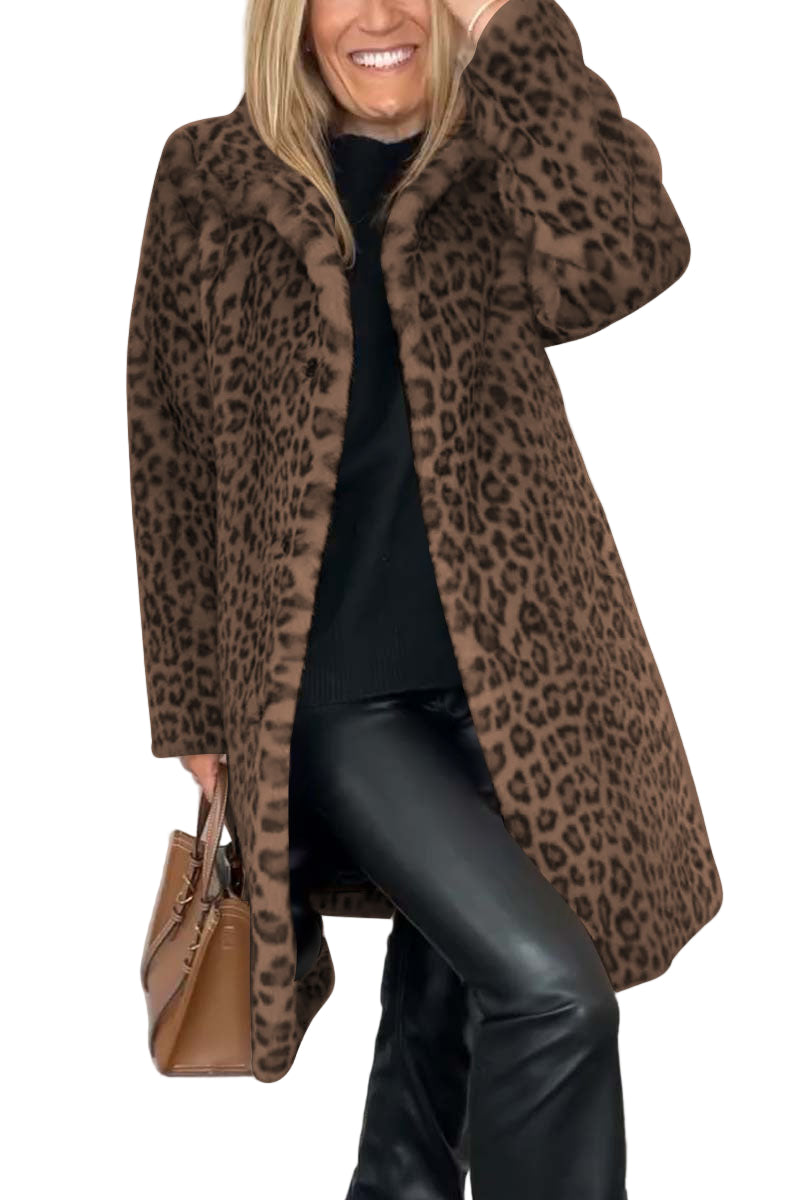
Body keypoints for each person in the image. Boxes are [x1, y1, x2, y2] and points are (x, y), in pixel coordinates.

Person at [128, 1, 723, 1196]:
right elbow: (169, 447)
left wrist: (513, 29)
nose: (383, 14)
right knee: (552, 993)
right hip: (333, 694)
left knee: (443, 1014)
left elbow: (626, 254)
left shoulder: (494, 146)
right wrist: (191, 707)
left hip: (519, 682)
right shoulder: (212, 174)